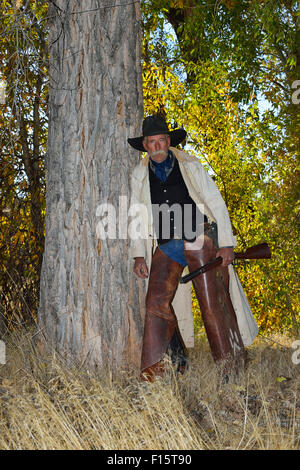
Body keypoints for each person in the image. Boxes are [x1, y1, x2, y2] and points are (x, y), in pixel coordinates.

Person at [128, 114, 258, 382]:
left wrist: (226, 244)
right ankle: (172, 364)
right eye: (151, 142)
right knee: (155, 302)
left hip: (199, 235)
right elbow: (136, 215)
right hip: (167, 244)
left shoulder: (189, 163)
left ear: (168, 141)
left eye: (161, 140)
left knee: (211, 301)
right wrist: (139, 254)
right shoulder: (139, 174)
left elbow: (215, 200)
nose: (157, 147)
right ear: (145, 145)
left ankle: (231, 368)